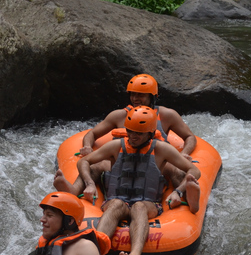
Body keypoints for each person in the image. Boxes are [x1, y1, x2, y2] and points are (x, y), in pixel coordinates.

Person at [76, 106, 201, 255]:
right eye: (130, 132)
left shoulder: (161, 149)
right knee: (115, 204)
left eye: (138, 133)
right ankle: (94, 252)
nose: (133, 137)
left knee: (139, 207)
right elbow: (83, 162)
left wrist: (178, 191)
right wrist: (90, 183)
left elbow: (195, 170)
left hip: (148, 202)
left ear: (150, 133)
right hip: (117, 198)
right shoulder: (115, 146)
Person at [54, 73, 196, 192]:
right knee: (94, 166)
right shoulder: (119, 115)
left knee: (176, 169)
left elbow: (189, 137)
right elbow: (92, 133)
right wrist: (88, 146)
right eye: (133, 94)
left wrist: (184, 153)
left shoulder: (167, 115)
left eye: (140, 95)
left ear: (152, 97)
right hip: (121, 161)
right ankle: (73, 190)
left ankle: (185, 195)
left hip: (156, 162)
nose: (135, 99)